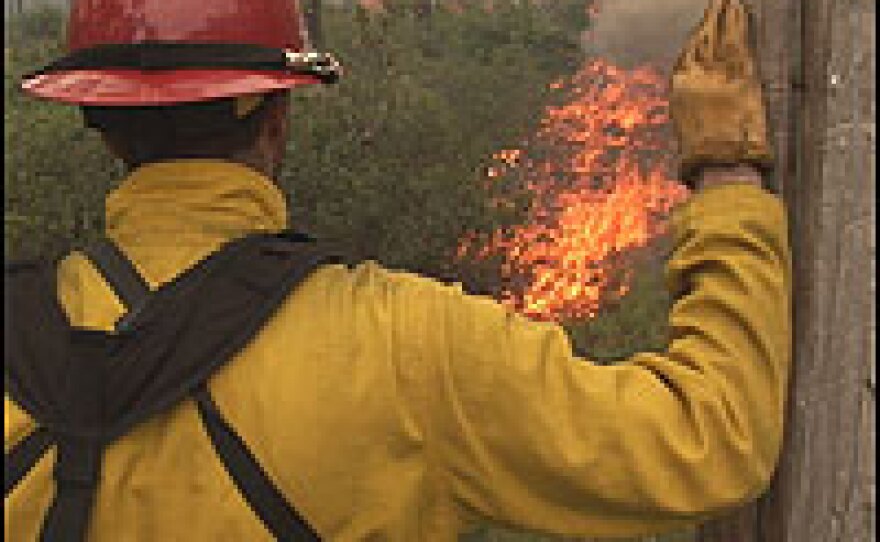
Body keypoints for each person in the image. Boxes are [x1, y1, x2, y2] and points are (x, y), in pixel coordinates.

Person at [5, 0, 791, 540]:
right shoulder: (403, 350)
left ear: (102, 127)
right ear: (277, 118)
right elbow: (711, 438)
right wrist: (726, 176)